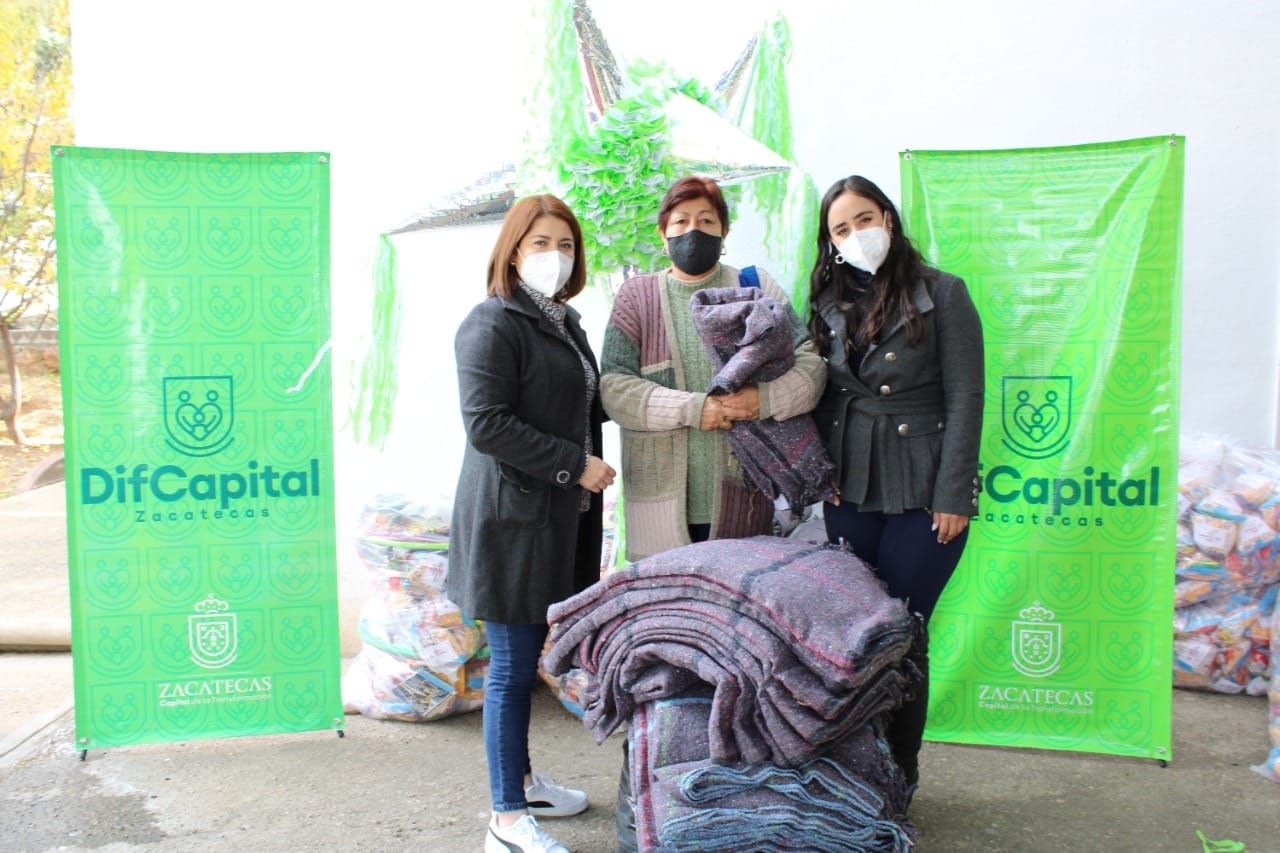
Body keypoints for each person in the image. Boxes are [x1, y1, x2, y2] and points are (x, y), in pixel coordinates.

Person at [447, 194, 616, 853]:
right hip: (511, 523)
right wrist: (576, 465)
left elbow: (578, 402)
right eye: (541, 242)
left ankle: (521, 782)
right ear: (513, 251)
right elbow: (487, 424)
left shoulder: (564, 322)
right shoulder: (492, 321)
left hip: (553, 520)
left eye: (566, 245)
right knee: (513, 668)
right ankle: (507, 820)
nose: (555, 255)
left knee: (524, 663)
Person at [808, 174, 985, 792]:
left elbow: (966, 395)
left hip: (924, 484)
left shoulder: (943, 292)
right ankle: (858, 769)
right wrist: (821, 473)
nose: (856, 235)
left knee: (903, 634)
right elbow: (822, 395)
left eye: (864, 219)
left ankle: (899, 775)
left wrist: (954, 493)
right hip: (850, 487)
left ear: (887, 217)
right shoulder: (826, 301)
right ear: (830, 243)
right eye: (841, 229)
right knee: (856, 635)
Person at [599, 176, 827, 561]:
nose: (693, 230)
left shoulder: (755, 286)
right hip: (659, 503)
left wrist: (765, 400)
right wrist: (695, 409)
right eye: (681, 221)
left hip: (746, 496)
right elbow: (615, 388)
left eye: (706, 220)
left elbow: (811, 363)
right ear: (663, 234)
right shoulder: (636, 297)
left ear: (724, 233)